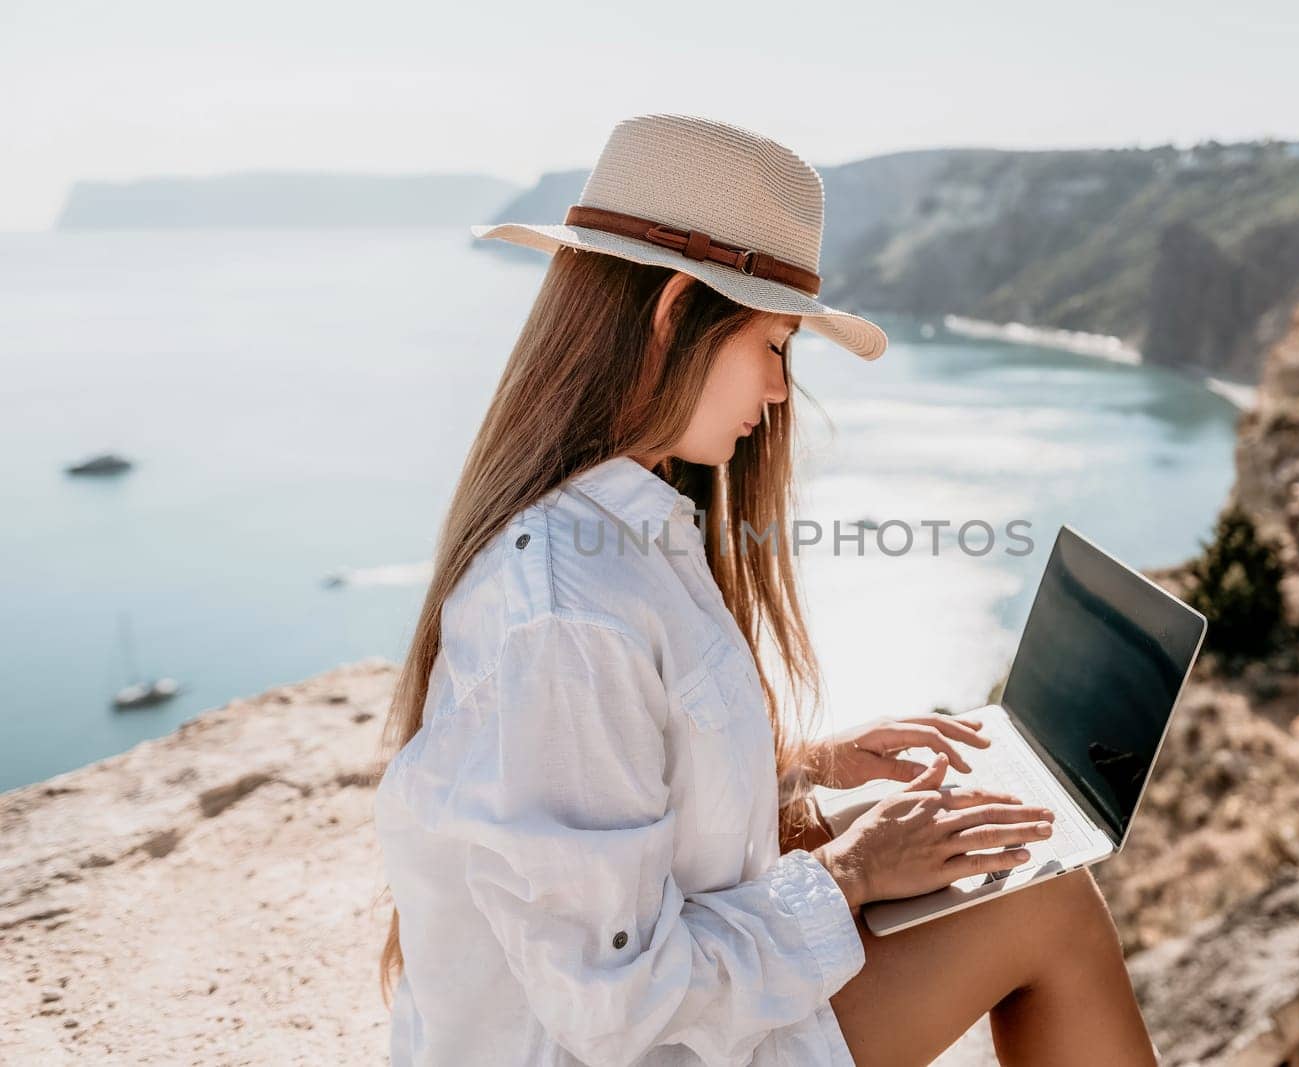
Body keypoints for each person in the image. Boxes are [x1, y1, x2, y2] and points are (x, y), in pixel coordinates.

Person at [373, 114, 1156, 1066]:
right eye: (774, 345)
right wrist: (852, 870)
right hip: (635, 1046)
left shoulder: (622, 533)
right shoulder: (569, 612)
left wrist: (802, 768)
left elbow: (628, 791)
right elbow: (618, 1004)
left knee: (1002, 861)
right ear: (671, 319)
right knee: (1047, 905)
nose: (782, 391)